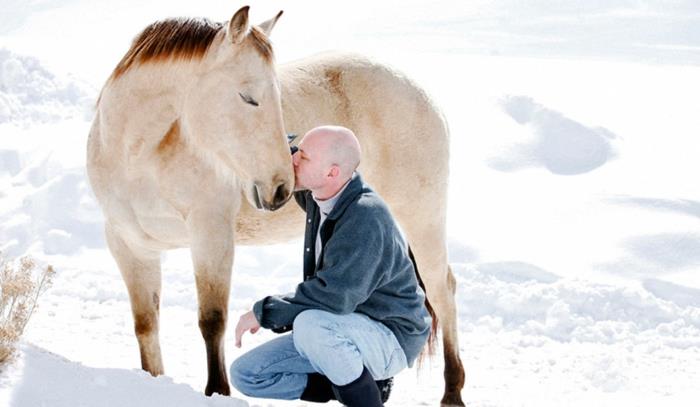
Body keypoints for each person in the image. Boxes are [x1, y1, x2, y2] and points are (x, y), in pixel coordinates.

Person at [229, 125, 432, 406]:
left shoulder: (365, 218)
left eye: (304, 157)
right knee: (247, 374)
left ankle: (366, 398)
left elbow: (333, 297)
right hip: (341, 329)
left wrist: (264, 312)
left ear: (332, 172)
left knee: (309, 323)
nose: (294, 161)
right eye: (298, 152)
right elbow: (284, 161)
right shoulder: (323, 194)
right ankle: (364, 383)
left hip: (389, 335)